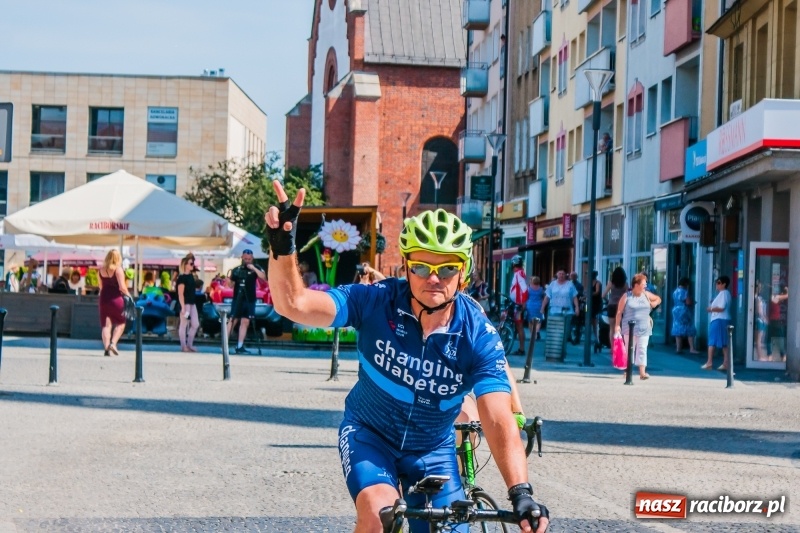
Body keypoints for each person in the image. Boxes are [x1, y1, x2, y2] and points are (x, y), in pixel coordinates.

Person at [265, 181, 549, 533]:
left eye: (447, 268)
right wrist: (283, 247)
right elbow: (294, 304)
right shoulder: (375, 300)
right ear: (406, 266)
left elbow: (497, 415)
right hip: (370, 435)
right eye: (421, 267)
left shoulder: (477, 333)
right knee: (380, 514)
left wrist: (520, 492)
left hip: (432, 449)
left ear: (463, 272)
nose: (434, 278)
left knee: (453, 526)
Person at [615, 273, 662, 380]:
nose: (645, 286)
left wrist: (654, 303)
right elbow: (619, 312)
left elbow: (658, 299)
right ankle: (628, 371)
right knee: (629, 349)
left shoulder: (646, 294)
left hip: (644, 327)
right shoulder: (626, 296)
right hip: (629, 328)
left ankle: (642, 373)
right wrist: (617, 325)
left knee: (642, 349)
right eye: (643, 284)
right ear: (636, 285)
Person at [227, 248, 266, 354]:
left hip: (250, 299)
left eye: (249, 259)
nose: (247, 261)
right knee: (232, 320)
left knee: (246, 321)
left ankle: (240, 346)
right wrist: (229, 281)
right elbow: (231, 285)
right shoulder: (236, 270)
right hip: (237, 298)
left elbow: (263, 277)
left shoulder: (256, 268)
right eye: (245, 259)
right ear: (242, 258)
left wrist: (254, 268)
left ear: (252, 258)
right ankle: (225, 344)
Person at [98, 249, 131, 356]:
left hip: (104, 299)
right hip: (116, 299)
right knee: (121, 322)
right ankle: (113, 343)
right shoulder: (118, 269)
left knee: (106, 325)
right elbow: (122, 287)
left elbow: (100, 286)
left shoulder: (101, 270)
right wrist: (129, 297)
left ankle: (106, 348)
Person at [703, 275, 732, 370]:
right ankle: (726, 362)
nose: (717, 284)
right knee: (724, 342)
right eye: (716, 282)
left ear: (724, 284)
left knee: (712, 341)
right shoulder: (724, 294)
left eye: (719, 283)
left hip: (719, 319)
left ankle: (709, 362)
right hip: (722, 319)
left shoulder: (723, 293)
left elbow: (721, 308)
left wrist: (711, 309)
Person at [176, 256, 200, 353]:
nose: (192, 265)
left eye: (193, 263)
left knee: (195, 324)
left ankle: (189, 344)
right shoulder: (182, 278)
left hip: (192, 302)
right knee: (184, 324)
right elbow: (180, 294)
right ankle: (184, 346)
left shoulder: (191, 276)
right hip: (185, 303)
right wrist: (183, 307)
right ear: (185, 265)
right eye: (191, 263)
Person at [671, 277, 700, 354]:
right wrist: (693, 302)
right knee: (690, 328)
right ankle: (692, 348)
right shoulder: (685, 292)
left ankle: (678, 348)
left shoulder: (675, 291)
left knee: (677, 328)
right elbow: (688, 302)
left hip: (676, 310)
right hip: (684, 310)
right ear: (686, 284)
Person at [603, 267, 628, 349]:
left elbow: (603, 295)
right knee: (620, 327)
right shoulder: (625, 284)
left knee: (612, 328)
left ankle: (613, 348)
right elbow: (628, 295)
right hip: (621, 307)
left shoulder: (611, 283)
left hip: (611, 306)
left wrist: (608, 300)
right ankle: (620, 347)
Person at [509, 255, 529, 355]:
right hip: (517, 304)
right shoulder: (519, 273)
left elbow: (524, 289)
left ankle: (521, 349)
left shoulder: (518, 274)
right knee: (518, 326)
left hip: (518, 305)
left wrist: (523, 303)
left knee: (519, 326)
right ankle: (521, 348)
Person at [768, 285, 788, 362]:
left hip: (771, 321)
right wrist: (787, 290)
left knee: (769, 339)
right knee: (780, 338)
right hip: (776, 321)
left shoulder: (770, 299)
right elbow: (787, 296)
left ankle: (769, 356)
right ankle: (783, 356)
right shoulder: (775, 297)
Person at [526, 276, 546, 341]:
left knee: (530, 321)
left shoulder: (528, 289)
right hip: (539, 305)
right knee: (539, 320)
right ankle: (537, 332)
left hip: (530, 305)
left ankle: (532, 334)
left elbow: (526, 297)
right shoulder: (541, 289)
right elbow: (543, 297)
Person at [753, 280, 769, 361]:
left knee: (759, 339)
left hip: (761, 320)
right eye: (758, 287)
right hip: (760, 320)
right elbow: (759, 311)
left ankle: (760, 356)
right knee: (758, 339)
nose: (760, 289)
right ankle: (759, 356)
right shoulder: (757, 298)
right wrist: (764, 318)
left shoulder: (758, 298)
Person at [588, 271, 603, 350]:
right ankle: (594, 338)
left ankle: (597, 339)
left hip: (596, 304)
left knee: (595, 322)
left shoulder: (598, 283)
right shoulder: (590, 283)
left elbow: (597, 292)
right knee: (590, 321)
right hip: (591, 303)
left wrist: (589, 294)